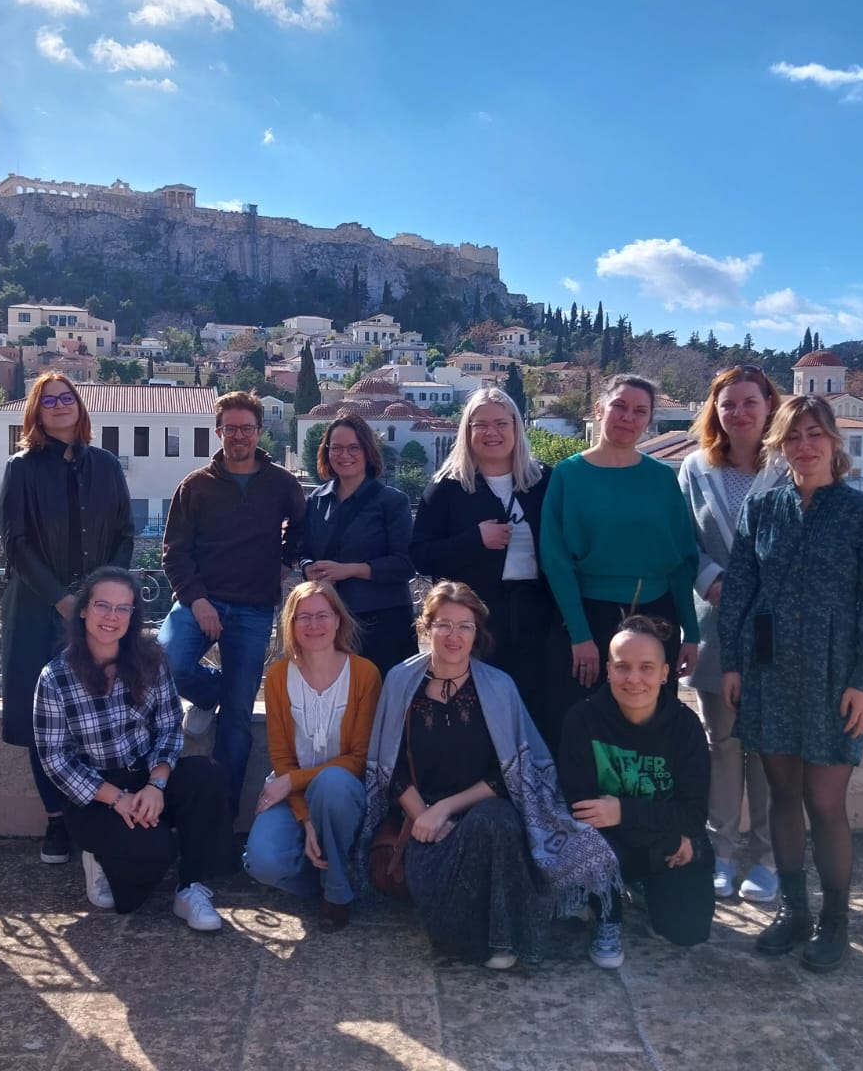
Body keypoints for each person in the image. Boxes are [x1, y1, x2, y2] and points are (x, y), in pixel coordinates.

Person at [719, 394, 863, 972]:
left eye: (815, 434)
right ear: (779, 445)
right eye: (793, 436)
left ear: (834, 443)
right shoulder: (762, 510)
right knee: (779, 797)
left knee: (824, 803)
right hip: (769, 672)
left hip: (834, 678)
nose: (804, 445)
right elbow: (741, 592)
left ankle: (836, 921)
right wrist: (732, 664)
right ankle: (793, 911)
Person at [355, 582, 619, 970]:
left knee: (495, 821)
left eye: (465, 626)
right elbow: (387, 767)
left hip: (487, 824)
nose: (454, 636)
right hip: (425, 830)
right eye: (444, 624)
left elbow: (509, 773)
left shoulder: (498, 687)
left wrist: (444, 807)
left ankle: (507, 940)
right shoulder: (399, 682)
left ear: (478, 633)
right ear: (427, 628)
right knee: (449, 938)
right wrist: (422, 814)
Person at [33, 567, 233, 929]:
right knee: (153, 854)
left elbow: (170, 726)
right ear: (83, 610)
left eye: (123, 609)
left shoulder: (151, 662)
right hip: (94, 795)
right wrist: (117, 799)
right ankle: (101, 856)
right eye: (102, 606)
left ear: (133, 615)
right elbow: (56, 760)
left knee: (208, 777)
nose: (112, 617)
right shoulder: (55, 677)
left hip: (145, 775)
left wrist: (156, 784)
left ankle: (191, 888)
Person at [0, 373, 134, 867]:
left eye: (67, 398)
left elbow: (125, 532)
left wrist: (100, 593)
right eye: (48, 400)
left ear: (80, 407)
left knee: (100, 714)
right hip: (39, 610)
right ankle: (57, 820)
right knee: (46, 724)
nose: (59, 406)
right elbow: (15, 542)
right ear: (36, 412)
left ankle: (98, 814)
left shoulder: (107, 466)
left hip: (99, 616)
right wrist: (61, 599)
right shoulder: (21, 469)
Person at [160, 391, 307, 810]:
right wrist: (198, 601)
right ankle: (211, 694)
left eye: (247, 428)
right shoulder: (196, 486)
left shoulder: (281, 483)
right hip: (199, 602)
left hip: (253, 609)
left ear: (259, 432)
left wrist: (286, 562)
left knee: (238, 718)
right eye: (231, 428)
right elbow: (175, 551)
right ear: (218, 431)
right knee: (167, 663)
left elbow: (300, 527)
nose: (239, 436)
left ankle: (221, 815)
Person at [677, 364, 786, 905]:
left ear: (769, 405)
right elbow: (683, 540)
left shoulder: (791, 465)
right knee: (723, 744)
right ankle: (720, 852)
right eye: (728, 404)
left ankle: (769, 857)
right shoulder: (694, 469)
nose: (738, 412)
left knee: (769, 746)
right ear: (714, 411)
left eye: (749, 402)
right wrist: (712, 581)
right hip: (716, 623)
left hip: (779, 626)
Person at [540, 373, 699, 740]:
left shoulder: (660, 478)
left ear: (649, 420)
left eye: (639, 411)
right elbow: (557, 561)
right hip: (588, 616)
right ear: (599, 409)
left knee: (652, 730)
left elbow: (680, 562)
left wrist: (691, 632)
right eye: (620, 406)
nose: (628, 417)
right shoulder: (568, 475)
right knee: (584, 728)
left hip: (657, 617)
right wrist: (579, 635)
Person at [558, 616, 714, 970]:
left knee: (687, 931)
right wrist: (667, 830)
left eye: (646, 668)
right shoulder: (582, 720)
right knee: (592, 842)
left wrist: (626, 813)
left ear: (664, 673)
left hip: (661, 842)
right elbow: (581, 808)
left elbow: (693, 813)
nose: (634, 678)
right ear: (608, 670)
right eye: (622, 667)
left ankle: (641, 885)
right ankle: (608, 916)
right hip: (612, 842)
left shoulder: (685, 727)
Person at [410, 388, 556, 733]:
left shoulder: (544, 482)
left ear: (517, 428)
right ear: (468, 431)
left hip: (538, 621)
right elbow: (420, 556)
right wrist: (474, 540)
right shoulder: (446, 488)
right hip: (474, 626)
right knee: (476, 721)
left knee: (537, 715)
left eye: (501, 424)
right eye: (481, 425)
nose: (492, 433)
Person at [243, 582, 381, 930]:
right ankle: (332, 874)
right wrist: (305, 818)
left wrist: (292, 780)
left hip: (342, 793)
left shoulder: (364, 673)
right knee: (263, 864)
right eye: (303, 617)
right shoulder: (277, 676)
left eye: (323, 615)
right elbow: (281, 756)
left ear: (338, 620)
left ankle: (336, 894)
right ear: (290, 625)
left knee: (331, 782)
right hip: (291, 793)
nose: (314, 625)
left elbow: (359, 757)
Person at [298, 412, 417, 674]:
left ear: (367, 451)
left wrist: (350, 570)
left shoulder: (392, 502)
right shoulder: (316, 500)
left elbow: (406, 564)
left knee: (383, 709)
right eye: (337, 448)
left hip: (383, 624)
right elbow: (303, 551)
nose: (345, 455)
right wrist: (308, 568)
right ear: (326, 452)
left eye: (354, 447)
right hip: (329, 624)